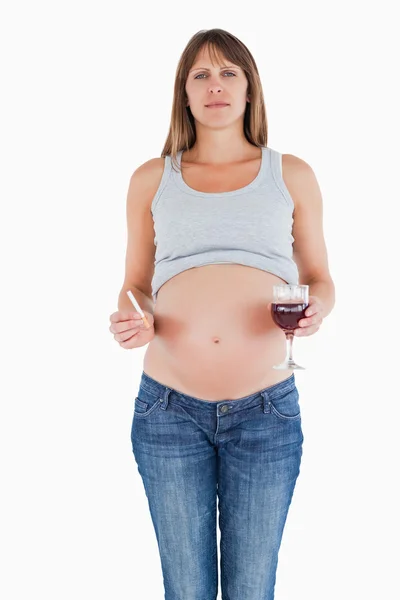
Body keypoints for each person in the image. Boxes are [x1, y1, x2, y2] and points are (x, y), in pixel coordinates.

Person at [109, 28, 335, 600]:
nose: (216, 86)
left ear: (250, 89)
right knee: (185, 590)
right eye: (201, 75)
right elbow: (135, 285)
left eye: (229, 73)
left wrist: (317, 312)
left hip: (267, 412)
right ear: (183, 92)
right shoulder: (151, 179)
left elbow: (321, 279)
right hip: (167, 411)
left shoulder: (292, 174)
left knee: (251, 589)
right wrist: (133, 321)